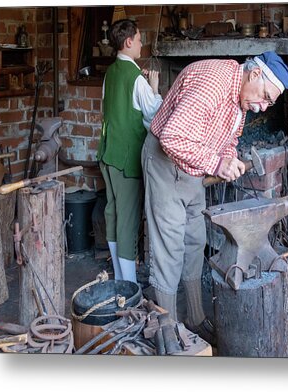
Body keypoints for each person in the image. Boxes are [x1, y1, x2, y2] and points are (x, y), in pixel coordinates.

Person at [141, 51, 288, 343]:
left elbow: (230, 138)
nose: (261, 108)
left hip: (193, 168)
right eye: (264, 97)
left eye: (269, 103)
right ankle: (168, 328)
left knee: (195, 240)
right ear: (256, 74)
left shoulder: (240, 96)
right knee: (169, 248)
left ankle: (194, 316)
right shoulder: (213, 83)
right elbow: (172, 138)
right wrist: (217, 164)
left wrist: (226, 156)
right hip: (165, 162)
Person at [97, 19, 162, 283]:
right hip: (126, 160)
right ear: (128, 42)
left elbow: (107, 110)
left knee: (112, 213)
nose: (142, 43)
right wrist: (155, 89)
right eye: (139, 38)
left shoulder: (111, 72)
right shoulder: (136, 78)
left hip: (107, 154)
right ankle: (130, 286)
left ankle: (119, 281)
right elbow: (155, 115)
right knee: (127, 221)